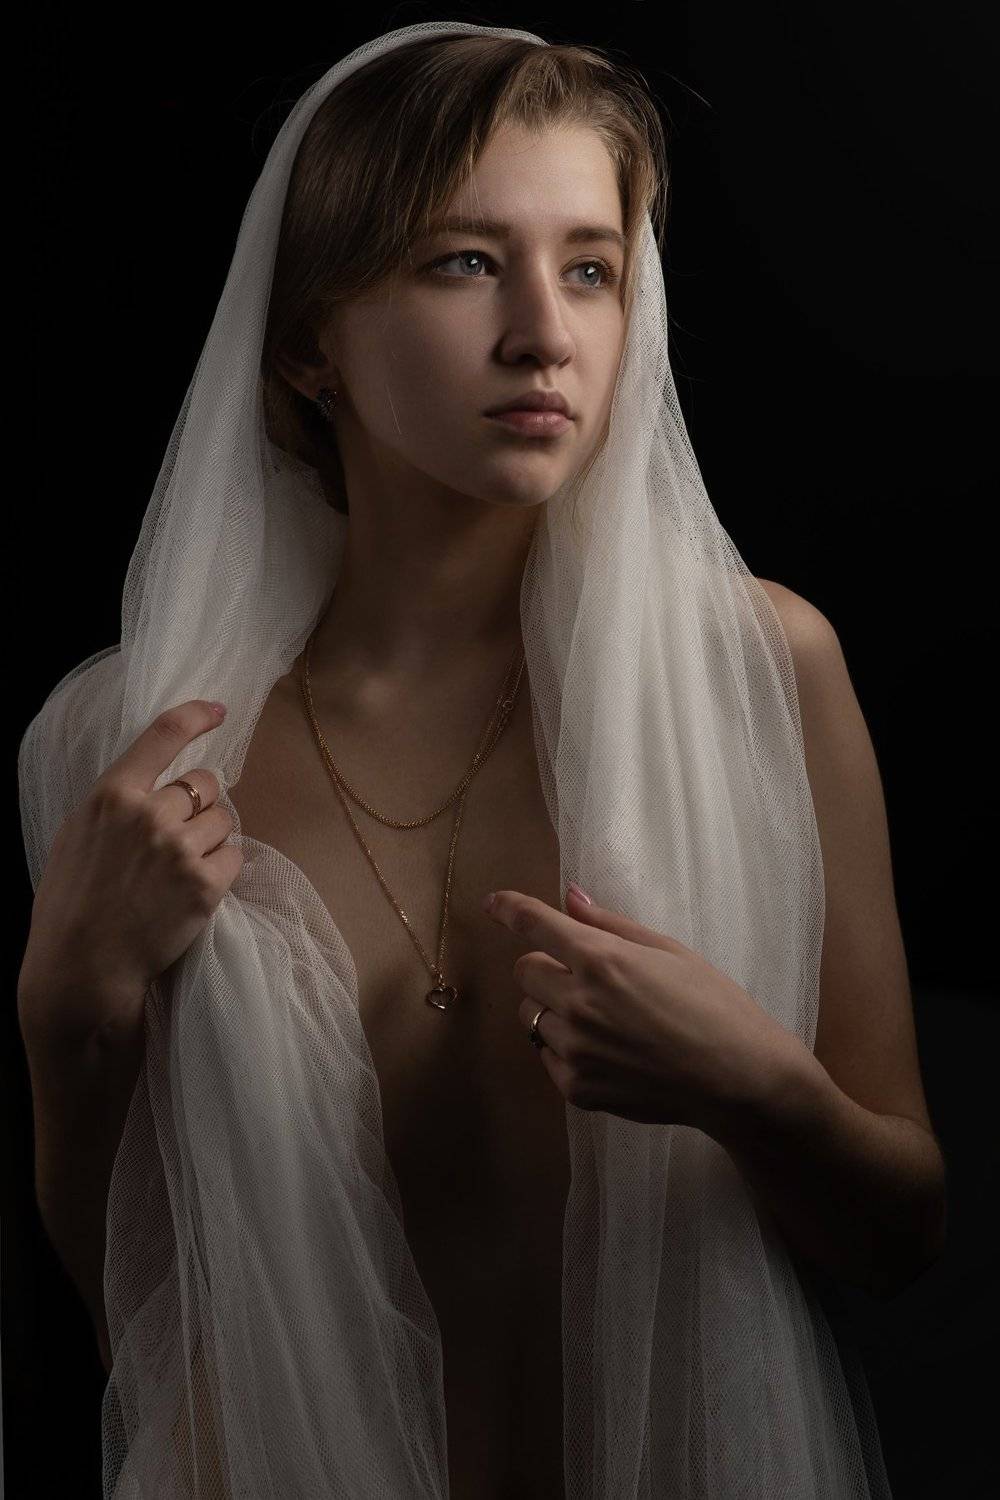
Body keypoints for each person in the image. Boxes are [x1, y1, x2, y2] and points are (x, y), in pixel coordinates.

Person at [17, 20, 943, 1498]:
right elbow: (142, 1310)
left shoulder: (760, 671)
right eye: (464, 262)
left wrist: (756, 1088)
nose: (544, 333)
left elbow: (900, 1238)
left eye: (591, 269)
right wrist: (68, 1007)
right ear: (307, 343)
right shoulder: (125, 745)